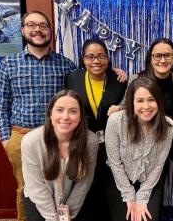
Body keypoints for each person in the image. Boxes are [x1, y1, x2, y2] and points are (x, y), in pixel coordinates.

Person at [0, 11, 77, 221]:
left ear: (50, 31)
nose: (37, 29)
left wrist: (114, 72)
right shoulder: (8, 64)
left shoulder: (66, 64)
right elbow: (0, 103)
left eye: (43, 25)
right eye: (31, 25)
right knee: (25, 190)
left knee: (58, 189)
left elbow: (82, 90)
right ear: (23, 30)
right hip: (21, 137)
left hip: (56, 139)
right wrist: (6, 139)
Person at [109, 38, 173, 208]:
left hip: (168, 138)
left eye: (167, 55)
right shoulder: (137, 78)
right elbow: (127, 104)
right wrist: (117, 108)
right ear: (150, 58)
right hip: (142, 144)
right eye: (157, 56)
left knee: (157, 184)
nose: (162, 60)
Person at [66, 38, 127, 220]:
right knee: (86, 191)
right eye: (90, 57)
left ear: (108, 59)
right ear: (83, 59)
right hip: (83, 144)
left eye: (101, 56)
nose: (96, 61)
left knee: (110, 192)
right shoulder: (72, 78)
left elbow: (127, 106)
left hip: (112, 147)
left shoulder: (119, 80)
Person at [21, 90, 99, 221]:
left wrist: (69, 216)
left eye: (73, 111)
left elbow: (84, 183)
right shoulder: (31, 142)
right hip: (39, 201)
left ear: (80, 117)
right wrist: (53, 218)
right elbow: (36, 187)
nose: (66, 117)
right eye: (60, 110)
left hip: (73, 200)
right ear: (50, 114)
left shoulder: (90, 141)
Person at [105, 77, 173, 221]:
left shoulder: (168, 126)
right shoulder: (115, 121)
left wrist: (142, 195)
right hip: (118, 176)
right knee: (126, 217)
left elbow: (159, 165)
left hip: (149, 179)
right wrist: (129, 195)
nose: (146, 106)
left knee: (147, 218)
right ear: (131, 102)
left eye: (151, 100)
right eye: (140, 101)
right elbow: (114, 162)